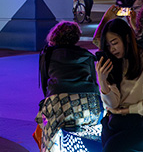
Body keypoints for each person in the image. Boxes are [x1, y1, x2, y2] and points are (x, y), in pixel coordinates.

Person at [95, 17, 143, 151]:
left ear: (127, 38)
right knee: (110, 145)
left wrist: (125, 110)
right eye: (108, 46)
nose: (112, 49)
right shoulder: (112, 63)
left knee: (112, 148)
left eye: (114, 43)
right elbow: (112, 105)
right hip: (117, 123)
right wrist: (103, 81)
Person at [36, 21, 102, 152]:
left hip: (59, 102)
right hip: (89, 105)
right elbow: (94, 84)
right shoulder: (87, 55)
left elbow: (45, 86)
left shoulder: (47, 54)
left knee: (47, 128)